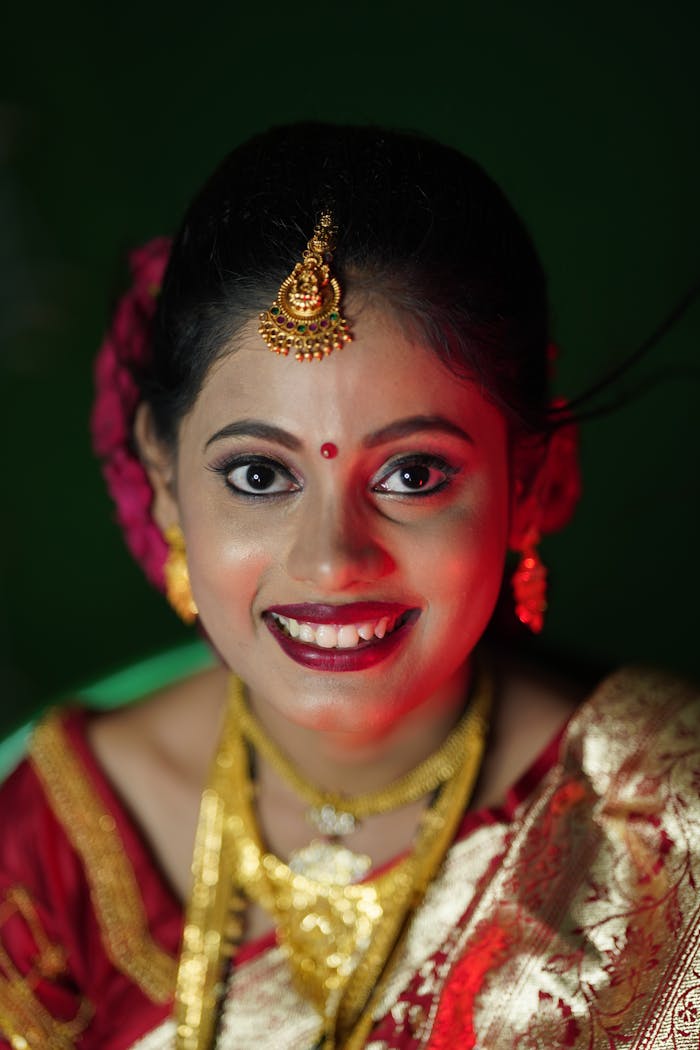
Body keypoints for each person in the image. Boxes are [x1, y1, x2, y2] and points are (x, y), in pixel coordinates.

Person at [0, 123, 698, 1050]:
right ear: (165, 483)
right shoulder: (53, 853)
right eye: (258, 475)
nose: (331, 561)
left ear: (531, 479)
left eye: (413, 474)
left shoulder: (662, 830)